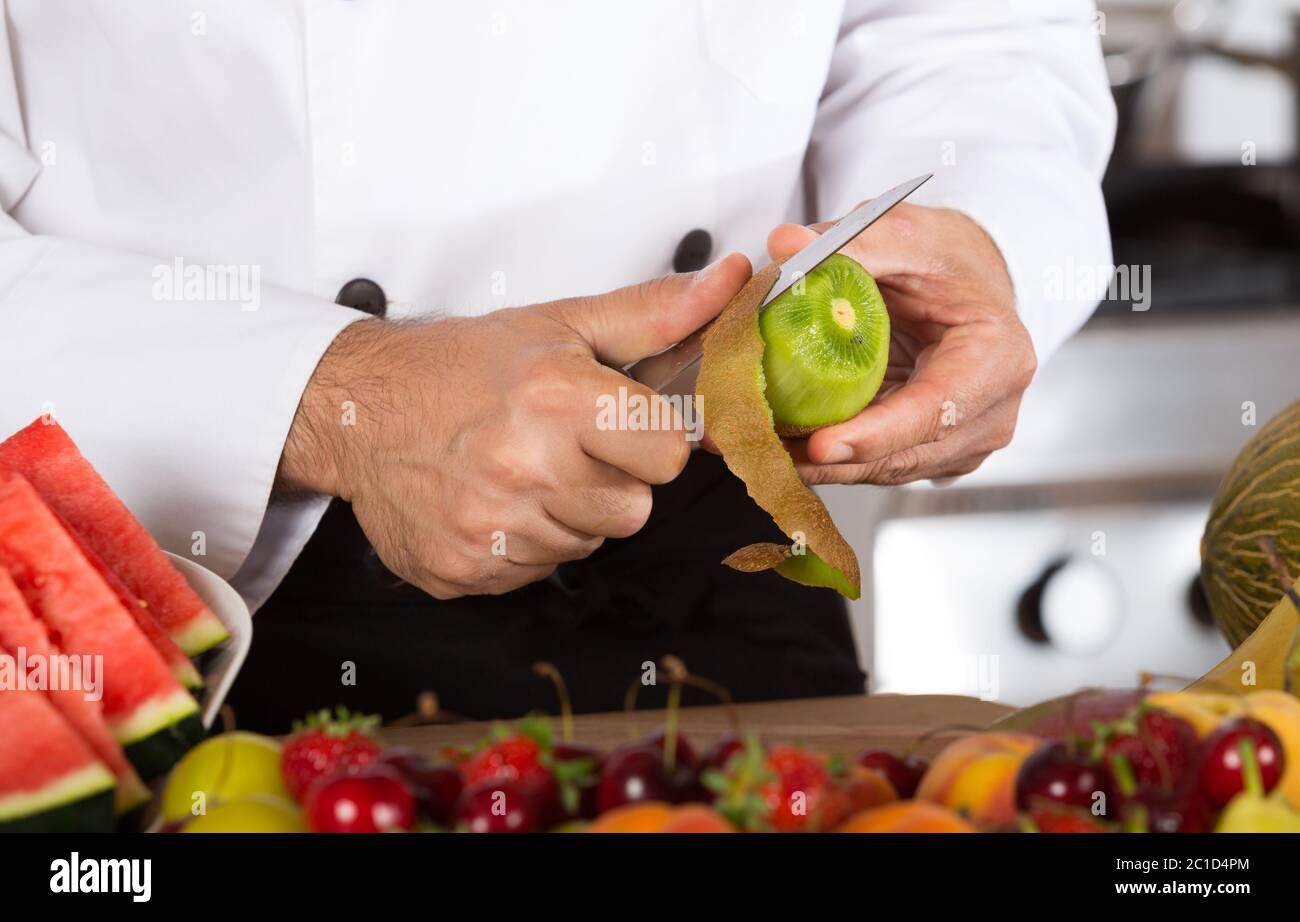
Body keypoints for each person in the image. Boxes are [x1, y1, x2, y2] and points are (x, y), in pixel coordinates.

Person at [0, 1, 1115, 730]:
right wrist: (334, 395)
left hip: (710, 581)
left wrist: (976, 225)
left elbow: (968, 35)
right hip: (173, 602)